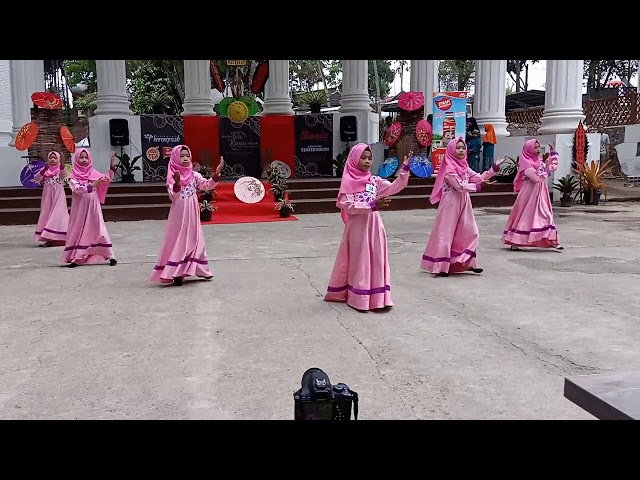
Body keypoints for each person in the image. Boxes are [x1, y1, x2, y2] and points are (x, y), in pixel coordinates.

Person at [324, 143, 412, 312]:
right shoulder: (347, 183)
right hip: (357, 228)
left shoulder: (374, 180)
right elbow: (348, 205)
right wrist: (372, 204)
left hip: (375, 225)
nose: (367, 161)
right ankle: (359, 298)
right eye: (363, 158)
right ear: (354, 159)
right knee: (361, 261)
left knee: (377, 259)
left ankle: (378, 297)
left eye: (370, 158)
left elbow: (394, 187)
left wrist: (404, 169)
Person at [421, 137, 504, 277]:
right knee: (446, 234)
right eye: (458, 148)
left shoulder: (464, 166)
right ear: (452, 150)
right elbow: (459, 186)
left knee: (470, 232)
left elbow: (478, 177)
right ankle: (441, 266)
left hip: (464, 202)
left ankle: (467, 263)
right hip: (450, 204)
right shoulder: (449, 168)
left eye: (463, 148)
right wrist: (478, 187)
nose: (461, 150)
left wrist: (494, 168)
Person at [150, 145, 224, 286]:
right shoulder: (172, 176)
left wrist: (216, 174)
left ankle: (201, 269)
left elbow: (206, 185)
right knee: (180, 240)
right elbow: (174, 196)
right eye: (182, 155)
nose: (185, 158)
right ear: (176, 158)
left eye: (187, 155)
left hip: (192, 212)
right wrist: (177, 183)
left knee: (195, 239)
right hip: (179, 213)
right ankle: (177, 273)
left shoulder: (194, 175)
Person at [502, 139, 563, 251]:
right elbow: (536, 178)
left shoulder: (539, 162)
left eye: (539, 147)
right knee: (525, 217)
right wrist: (546, 172)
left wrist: (553, 154)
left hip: (540, 194)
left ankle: (552, 240)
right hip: (528, 194)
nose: (538, 150)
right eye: (535, 147)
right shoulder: (526, 164)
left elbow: (550, 167)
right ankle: (515, 241)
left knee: (546, 215)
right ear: (528, 149)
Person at [62, 148, 117, 267]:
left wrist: (111, 166)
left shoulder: (94, 173)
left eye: (86, 157)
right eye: (81, 157)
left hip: (93, 207)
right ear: (76, 159)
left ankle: (110, 255)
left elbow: (106, 179)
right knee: (79, 229)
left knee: (99, 228)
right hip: (80, 208)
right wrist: (92, 185)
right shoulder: (73, 176)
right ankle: (76, 257)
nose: (83, 160)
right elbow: (77, 189)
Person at [33, 150, 69, 247]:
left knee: (58, 214)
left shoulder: (60, 169)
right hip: (47, 196)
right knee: (47, 214)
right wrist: (43, 170)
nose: (52, 159)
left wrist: (61, 167)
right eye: (50, 158)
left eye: (55, 158)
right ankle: (49, 237)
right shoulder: (45, 171)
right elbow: (36, 179)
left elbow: (63, 175)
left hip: (58, 195)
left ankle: (61, 237)